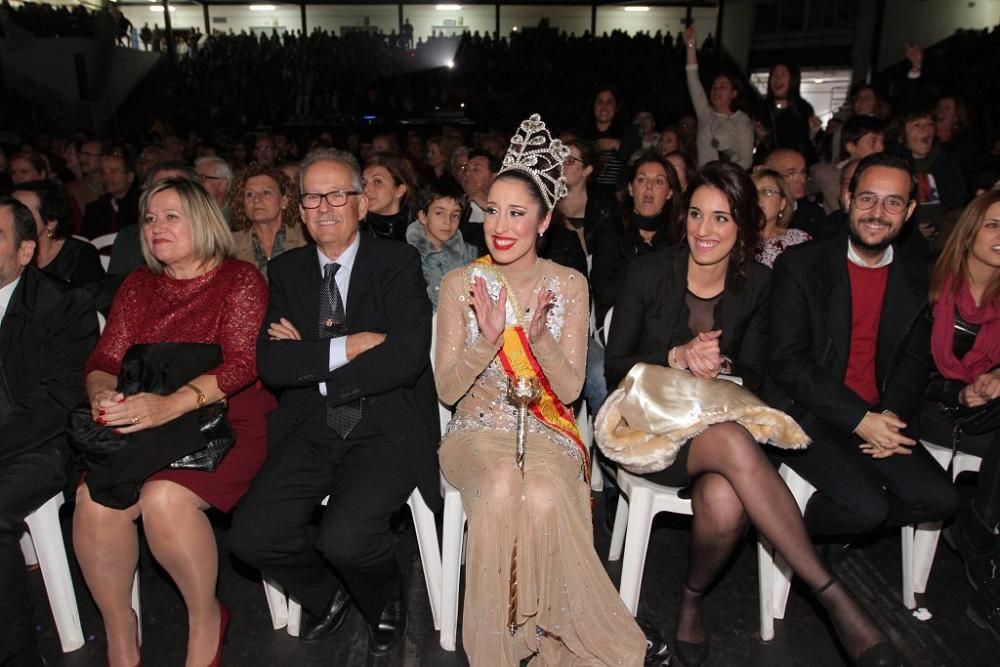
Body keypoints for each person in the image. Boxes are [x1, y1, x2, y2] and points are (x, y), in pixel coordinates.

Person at [604, 162, 901, 667]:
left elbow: (760, 375)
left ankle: (692, 597)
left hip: (717, 425)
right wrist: (676, 357)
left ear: (742, 224)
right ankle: (833, 596)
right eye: (696, 214)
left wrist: (719, 366)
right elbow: (614, 365)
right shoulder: (648, 270)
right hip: (648, 428)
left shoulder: (759, 283)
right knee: (733, 443)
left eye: (721, 218)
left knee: (725, 501)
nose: (704, 230)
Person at [435, 114, 647, 666]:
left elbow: (573, 387)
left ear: (544, 220)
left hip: (548, 431)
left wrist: (538, 340)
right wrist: (486, 341)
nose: (500, 225)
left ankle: (539, 631)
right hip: (476, 433)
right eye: (492, 211)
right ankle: (498, 648)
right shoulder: (462, 284)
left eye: (517, 213)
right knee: (505, 482)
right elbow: (448, 389)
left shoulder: (568, 285)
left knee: (548, 493)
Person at [230, 148, 439, 657]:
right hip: (310, 425)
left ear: (362, 204)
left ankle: (386, 596)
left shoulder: (396, 262)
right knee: (251, 537)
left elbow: (406, 356)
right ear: (299, 210)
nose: (324, 207)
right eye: (312, 197)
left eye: (337, 195)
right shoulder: (286, 271)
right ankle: (327, 598)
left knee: (344, 539)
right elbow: (273, 365)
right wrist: (348, 346)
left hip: (385, 423)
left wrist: (316, 365)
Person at [73, 177, 272, 667]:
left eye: (171, 216)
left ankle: (206, 616)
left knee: (164, 499)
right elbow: (105, 355)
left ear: (202, 221)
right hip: (151, 415)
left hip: (225, 417)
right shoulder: (139, 285)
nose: (156, 226)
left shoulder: (238, 279)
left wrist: (172, 404)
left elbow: (245, 365)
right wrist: (102, 391)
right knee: (93, 498)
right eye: (150, 218)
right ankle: (121, 632)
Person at [764, 152, 958, 553]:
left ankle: (817, 533)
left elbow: (913, 360)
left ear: (908, 212)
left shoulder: (917, 279)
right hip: (807, 413)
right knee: (865, 507)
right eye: (868, 198)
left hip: (877, 413)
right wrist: (858, 420)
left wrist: (890, 416)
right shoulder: (801, 265)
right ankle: (791, 534)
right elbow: (787, 361)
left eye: (892, 202)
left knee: (941, 499)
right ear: (848, 198)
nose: (878, 212)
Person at [0, 196, 98, 667]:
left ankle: (16, 653)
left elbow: (58, 401)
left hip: (42, 445)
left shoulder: (63, 304)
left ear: (24, 251)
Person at [920, 189, 1000, 639]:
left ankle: (980, 532)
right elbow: (906, 373)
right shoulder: (929, 286)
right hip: (937, 408)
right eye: (993, 225)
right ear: (969, 232)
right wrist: (960, 390)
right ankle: (984, 546)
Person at [591, 150, 683, 325]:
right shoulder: (611, 231)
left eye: (659, 181)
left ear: (670, 193)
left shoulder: (677, 237)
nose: (649, 187)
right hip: (617, 322)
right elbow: (604, 293)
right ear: (631, 189)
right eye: (641, 180)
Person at [683, 24, 754, 169]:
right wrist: (691, 46)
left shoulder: (742, 121)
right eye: (714, 87)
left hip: (728, 182)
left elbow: (746, 161)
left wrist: (724, 175)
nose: (716, 90)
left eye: (722, 87)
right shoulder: (705, 112)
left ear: (734, 93)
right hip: (704, 179)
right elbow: (693, 80)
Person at [12, 180, 105, 288]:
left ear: (51, 221)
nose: (12, 218)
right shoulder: (7, 251)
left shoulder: (79, 254)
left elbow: (91, 300)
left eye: (22, 212)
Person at [228, 163, 307, 280]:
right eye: (249, 194)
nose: (256, 199)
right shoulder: (230, 245)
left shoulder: (305, 238)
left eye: (266, 192)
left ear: (284, 201)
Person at [405, 180, 476, 308]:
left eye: (455, 215)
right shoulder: (407, 257)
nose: (447, 221)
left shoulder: (470, 256)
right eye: (439, 213)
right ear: (423, 216)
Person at [574, 87, 641, 196]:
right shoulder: (580, 132)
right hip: (584, 195)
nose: (604, 107)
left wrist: (618, 145)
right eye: (600, 102)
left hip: (618, 197)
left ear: (616, 107)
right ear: (593, 106)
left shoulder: (628, 132)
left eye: (609, 102)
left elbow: (637, 159)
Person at [759, 61, 819, 164]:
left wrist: (812, 134)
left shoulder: (803, 109)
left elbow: (808, 147)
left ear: (793, 79)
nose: (777, 78)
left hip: (794, 167)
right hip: (768, 166)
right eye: (774, 74)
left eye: (783, 74)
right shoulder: (761, 107)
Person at [751, 169, 810, 268]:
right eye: (752, 192)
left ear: (782, 203)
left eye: (767, 192)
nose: (757, 197)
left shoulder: (797, 240)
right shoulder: (734, 238)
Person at [765, 148, 825, 238]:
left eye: (803, 172)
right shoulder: (758, 213)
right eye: (791, 174)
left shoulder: (813, 215)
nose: (802, 180)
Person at [81, 152, 140, 239]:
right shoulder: (95, 209)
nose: (106, 177)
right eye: (103, 172)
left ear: (130, 177)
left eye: (113, 171)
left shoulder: (141, 207)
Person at [361, 153, 418, 242]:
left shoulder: (421, 230)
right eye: (364, 183)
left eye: (377, 182)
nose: (366, 189)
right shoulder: (355, 230)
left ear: (400, 190)